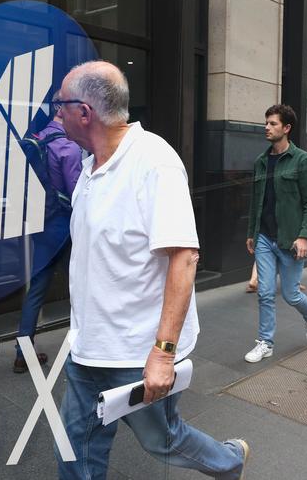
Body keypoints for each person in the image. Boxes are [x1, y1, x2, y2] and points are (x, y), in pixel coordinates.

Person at [54, 61, 249, 479]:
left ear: (84, 112)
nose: (55, 115)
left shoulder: (154, 162)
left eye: (60, 105)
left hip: (135, 350)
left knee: (164, 440)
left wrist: (163, 354)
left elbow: (185, 257)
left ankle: (230, 461)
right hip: (88, 348)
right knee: (76, 449)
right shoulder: (90, 167)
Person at [244, 104, 307, 363]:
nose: (267, 127)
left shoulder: (302, 160)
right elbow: (257, 201)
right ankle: (266, 342)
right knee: (265, 293)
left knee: (290, 294)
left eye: (273, 123)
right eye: (266, 122)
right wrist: (252, 233)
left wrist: (305, 236)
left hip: (290, 240)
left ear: (286, 128)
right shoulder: (261, 162)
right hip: (265, 237)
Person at [13, 95, 83, 373]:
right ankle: (84, 352)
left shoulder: (36, 140)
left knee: (35, 291)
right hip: (65, 228)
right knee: (81, 289)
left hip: (39, 224)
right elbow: (78, 194)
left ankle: (22, 354)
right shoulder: (68, 147)